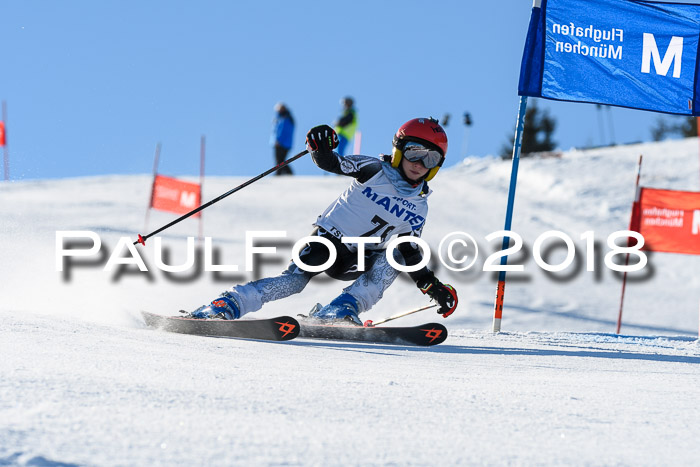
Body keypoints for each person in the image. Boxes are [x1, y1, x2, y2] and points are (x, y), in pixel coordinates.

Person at [189, 117, 458, 324]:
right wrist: (320, 146)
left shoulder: (420, 205)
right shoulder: (374, 169)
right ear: (399, 149)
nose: (420, 163)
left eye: (431, 157)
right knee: (294, 282)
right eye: (414, 152)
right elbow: (332, 163)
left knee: (397, 256)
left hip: (360, 259)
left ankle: (340, 309)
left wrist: (433, 287)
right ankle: (227, 304)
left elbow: (410, 253)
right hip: (328, 243)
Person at [271, 102, 295, 175]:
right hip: (281, 143)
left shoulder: (286, 118)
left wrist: (278, 141)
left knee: (280, 161)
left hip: (282, 143)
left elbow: (283, 131)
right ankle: (284, 174)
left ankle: (283, 175)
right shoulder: (279, 118)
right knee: (280, 161)